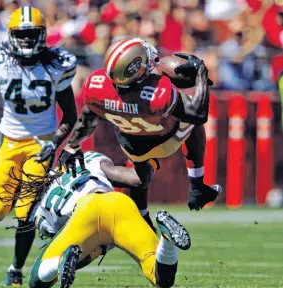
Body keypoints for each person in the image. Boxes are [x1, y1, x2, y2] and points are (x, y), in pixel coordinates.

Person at [0, 6, 78, 286]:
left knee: (24, 214)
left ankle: (15, 269)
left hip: (40, 147)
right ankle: (43, 209)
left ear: (43, 35)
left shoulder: (57, 65)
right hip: (10, 144)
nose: (26, 40)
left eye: (32, 34)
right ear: (11, 35)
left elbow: (71, 115)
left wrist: (54, 143)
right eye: (21, 34)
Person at [58, 37, 221, 229]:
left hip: (132, 145)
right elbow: (198, 114)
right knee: (191, 121)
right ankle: (197, 185)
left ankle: (139, 213)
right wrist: (201, 74)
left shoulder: (97, 86)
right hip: (166, 138)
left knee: (140, 177)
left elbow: (88, 118)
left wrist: (72, 145)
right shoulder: (154, 95)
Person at [6, 151, 191, 288]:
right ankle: (167, 241)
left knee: (38, 280)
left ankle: (62, 258)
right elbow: (135, 180)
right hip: (119, 204)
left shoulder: (41, 211)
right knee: (161, 279)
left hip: (85, 213)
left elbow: (80, 254)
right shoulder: (87, 161)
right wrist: (149, 161)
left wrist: (74, 257)